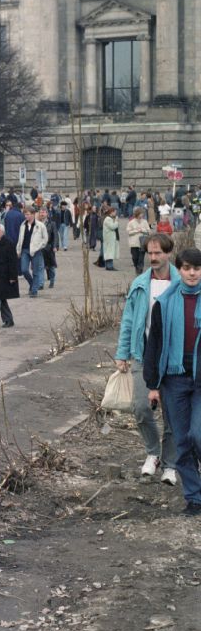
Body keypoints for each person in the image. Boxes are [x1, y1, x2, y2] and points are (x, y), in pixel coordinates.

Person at [116, 233, 178, 484]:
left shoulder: (181, 282)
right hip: (144, 354)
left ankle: (171, 464)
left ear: (168, 253)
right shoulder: (140, 284)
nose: (153, 257)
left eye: (158, 253)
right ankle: (154, 453)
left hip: (174, 358)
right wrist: (122, 353)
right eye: (149, 253)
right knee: (141, 407)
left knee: (172, 414)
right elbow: (129, 321)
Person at [144, 247, 201, 515]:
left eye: (197, 268)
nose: (192, 273)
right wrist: (153, 384)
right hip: (174, 379)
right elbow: (154, 344)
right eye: (187, 268)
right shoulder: (165, 302)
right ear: (180, 270)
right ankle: (194, 497)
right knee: (181, 440)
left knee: (197, 435)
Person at [17, 207, 48, 297]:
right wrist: (18, 249)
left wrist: (39, 247)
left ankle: (34, 291)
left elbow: (45, 239)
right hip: (24, 250)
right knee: (24, 270)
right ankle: (33, 284)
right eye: (25, 214)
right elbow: (20, 238)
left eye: (28, 214)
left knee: (35, 271)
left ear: (33, 214)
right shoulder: (23, 225)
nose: (26, 216)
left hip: (36, 251)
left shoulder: (40, 225)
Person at [38, 208, 58, 289]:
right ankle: (41, 284)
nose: (42, 214)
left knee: (51, 266)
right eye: (41, 212)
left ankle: (52, 280)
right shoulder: (37, 224)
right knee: (41, 266)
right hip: (40, 248)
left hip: (49, 247)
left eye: (43, 212)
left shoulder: (52, 223)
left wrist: (55, 246)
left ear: (47, 214)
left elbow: (55, 236)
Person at [127, 208, 150, 275]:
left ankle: (140, 271)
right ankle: (136, 267)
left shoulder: (145, 222)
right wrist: (136, 231)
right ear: (137, 214)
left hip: (142, 243)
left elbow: (148, 231)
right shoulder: (131, 222)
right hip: (134, 243)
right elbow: (128, 232)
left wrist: (142, 230)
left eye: (142, 214)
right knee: (135, 257)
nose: (142, 215)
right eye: (141, 213)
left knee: (141, 258)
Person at [102, 206, 120, 271]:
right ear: (111, 212)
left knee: (110, 252)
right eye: (115, 212)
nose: (116, 213)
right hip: (109, 238)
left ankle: (108, 266)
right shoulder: (108, 219)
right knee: (110, 252)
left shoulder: (110, 219)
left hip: (110, 238)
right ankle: (110, 266)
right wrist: (117, 221)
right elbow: (113, 227)